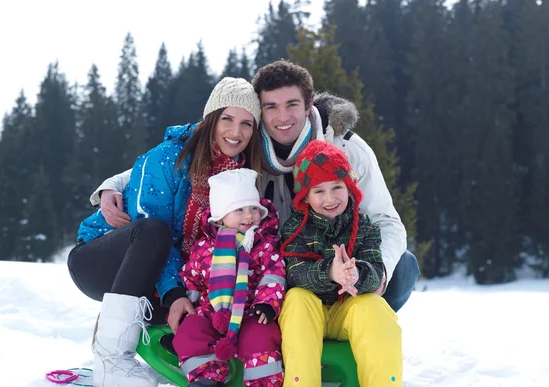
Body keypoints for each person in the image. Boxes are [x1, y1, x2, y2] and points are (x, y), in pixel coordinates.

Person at [93, 60, 419, 313]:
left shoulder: (348, 151)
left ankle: (358, 331)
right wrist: (113, 184)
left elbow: (387, 222)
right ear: (259, 112)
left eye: (292, 105)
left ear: (309, 106)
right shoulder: (246, 146)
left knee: (403, 267)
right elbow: (181, 154)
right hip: (275, 267)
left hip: (339, 260)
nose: (282, 117)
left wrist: (380, 274)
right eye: (271, 107)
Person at [67, 77, 263, 387]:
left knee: (203, 310)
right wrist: (173, 295)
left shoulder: (238, 174)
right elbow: (150, 228)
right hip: (102, 259)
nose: (236, 131)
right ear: (211, 118)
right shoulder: (167, 158)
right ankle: (111, 359)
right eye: (227, 118)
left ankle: (128, 324)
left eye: (246, 124)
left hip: (161, 272)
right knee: (155, 231)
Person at [279, 140, 404, 387]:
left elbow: (376, 267)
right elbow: (292, 271)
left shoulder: (365, 228)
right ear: (305, 197)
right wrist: (330, 273)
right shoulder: (294, 228)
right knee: (296, 298)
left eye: (337, 187)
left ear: (349, 188)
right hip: (311, 314)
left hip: (347, 313)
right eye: (319, 191)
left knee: (374, 306)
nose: (329, 198)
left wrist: (357, 274)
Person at [172, 169, 286, 387]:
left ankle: (266, 386)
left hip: (251, 311)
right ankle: (207, 378)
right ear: (220, 217)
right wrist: (190, 297)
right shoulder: (204, 247)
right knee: (190, 331)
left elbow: (274, 274)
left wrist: (267, 303)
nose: (249, 216)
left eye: (253, 209)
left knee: (261, 336)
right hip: (213, 310)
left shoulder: (264, 245)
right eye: (239, 210)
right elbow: (191, 275)